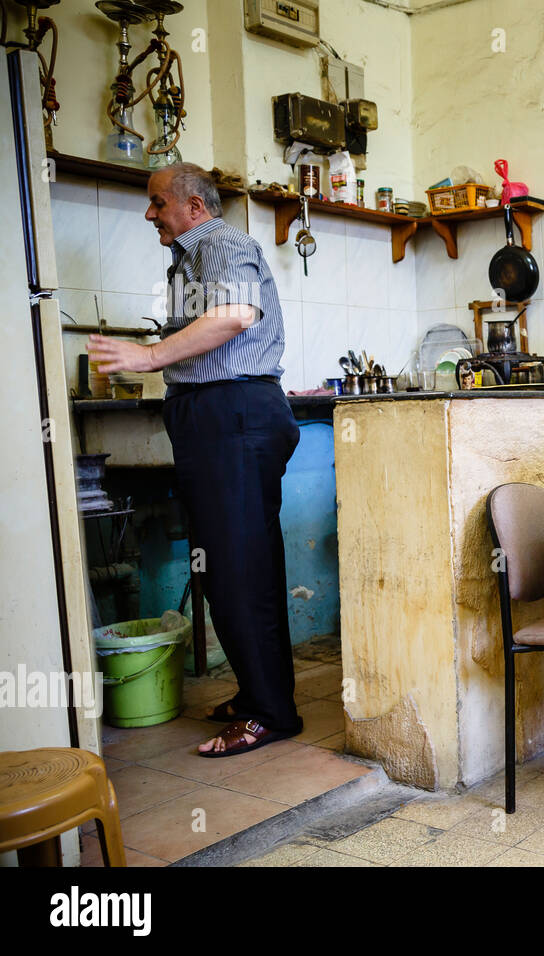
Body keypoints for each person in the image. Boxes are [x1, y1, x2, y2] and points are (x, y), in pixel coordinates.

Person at [87, 162, 302, 758]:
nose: (149, 213)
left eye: (158, 202)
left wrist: (151, 355)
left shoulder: (226, 244)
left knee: (238, 569)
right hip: (214, 417)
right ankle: (263, 695)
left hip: (233, 415)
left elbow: (234, 315)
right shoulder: (187, 260)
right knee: (229, 567)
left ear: (194, 207)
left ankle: (269, 713)